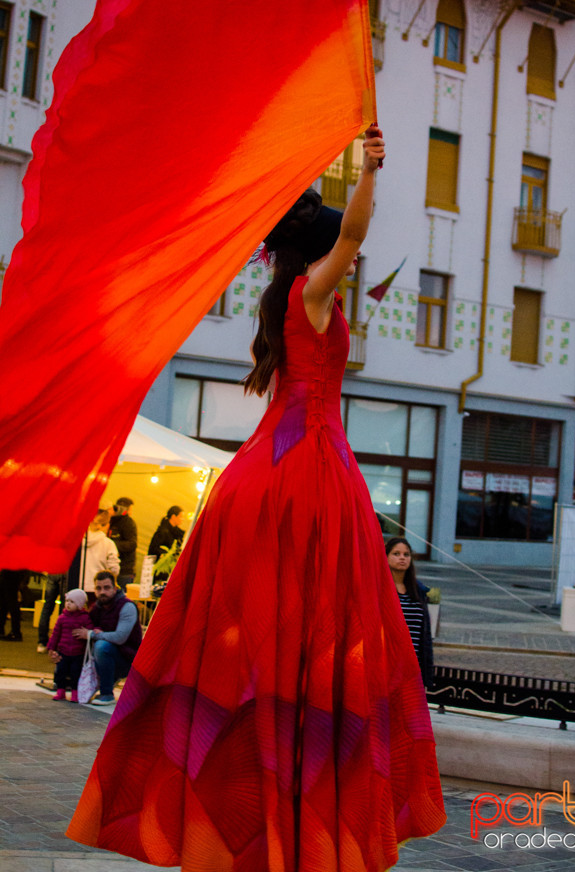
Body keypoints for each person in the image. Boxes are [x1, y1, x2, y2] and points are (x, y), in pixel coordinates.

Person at [68, 128, 445, 867]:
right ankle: (288, 808)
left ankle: (262, 799)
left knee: (268, 640)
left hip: (275, 471)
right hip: (303, 474)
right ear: (317, 253)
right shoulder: (311, 291)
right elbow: (360, 229)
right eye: (339, 244)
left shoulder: (286, 302)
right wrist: (369, 171)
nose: (353, 251)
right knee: (308, 635)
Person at [72, 570, 142, 707]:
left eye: (107, 587)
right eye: (98, 588)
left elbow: (120, 637)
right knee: (80, 639)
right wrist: (56, 648)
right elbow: (81, 629)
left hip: (129, 659)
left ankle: (107, 693)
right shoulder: (97, 608)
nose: (102, 592)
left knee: (101, 646)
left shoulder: (127, 607)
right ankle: (69, 683)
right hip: (112, 655)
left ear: (115, 588)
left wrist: (93, 635)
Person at [386, 537, 435, 690]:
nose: (402, 558)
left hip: (412, 668)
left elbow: (424, 637)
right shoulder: (379, 590)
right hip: (386, 666)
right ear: (385, 557)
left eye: (406, 555)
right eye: (396, 554)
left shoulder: (418, 591)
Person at [47, 588, 93, 702]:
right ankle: (60, 691)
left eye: (72, 602)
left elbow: (90, 628)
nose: (68, 604)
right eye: (67, 601)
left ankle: (75, 693)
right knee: (60, 672)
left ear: (79, 604)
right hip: (63, 651)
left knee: (75, 673)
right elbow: (56, 633)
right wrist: (51, 647)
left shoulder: (84, 618)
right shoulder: (62, 618)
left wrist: (92, 632)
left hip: (78, 652)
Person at [81, 510, 120, 597]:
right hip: (98, 588)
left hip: (77, 585)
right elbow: (114, 569)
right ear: (107, 525)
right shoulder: (109, 544)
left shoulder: (78, 540)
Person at [107, 497, 137, 592]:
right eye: (130, 510)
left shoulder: (128, 523)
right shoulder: (110, 520)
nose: (130, 513)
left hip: (125, 569)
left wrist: (112, 546)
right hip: (110, 568)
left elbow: (132, 544)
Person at [37, 573, 67, 653]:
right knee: (64, 609)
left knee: (47, 608)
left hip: (54, 571)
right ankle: (59, 642)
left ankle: (42, 642)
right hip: (67, 572)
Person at [0, 568, 29, 642]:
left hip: (10, 571)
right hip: (13, 571)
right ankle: (13, 631)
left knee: (9, 602)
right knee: (6, 602)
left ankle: (15, 632)